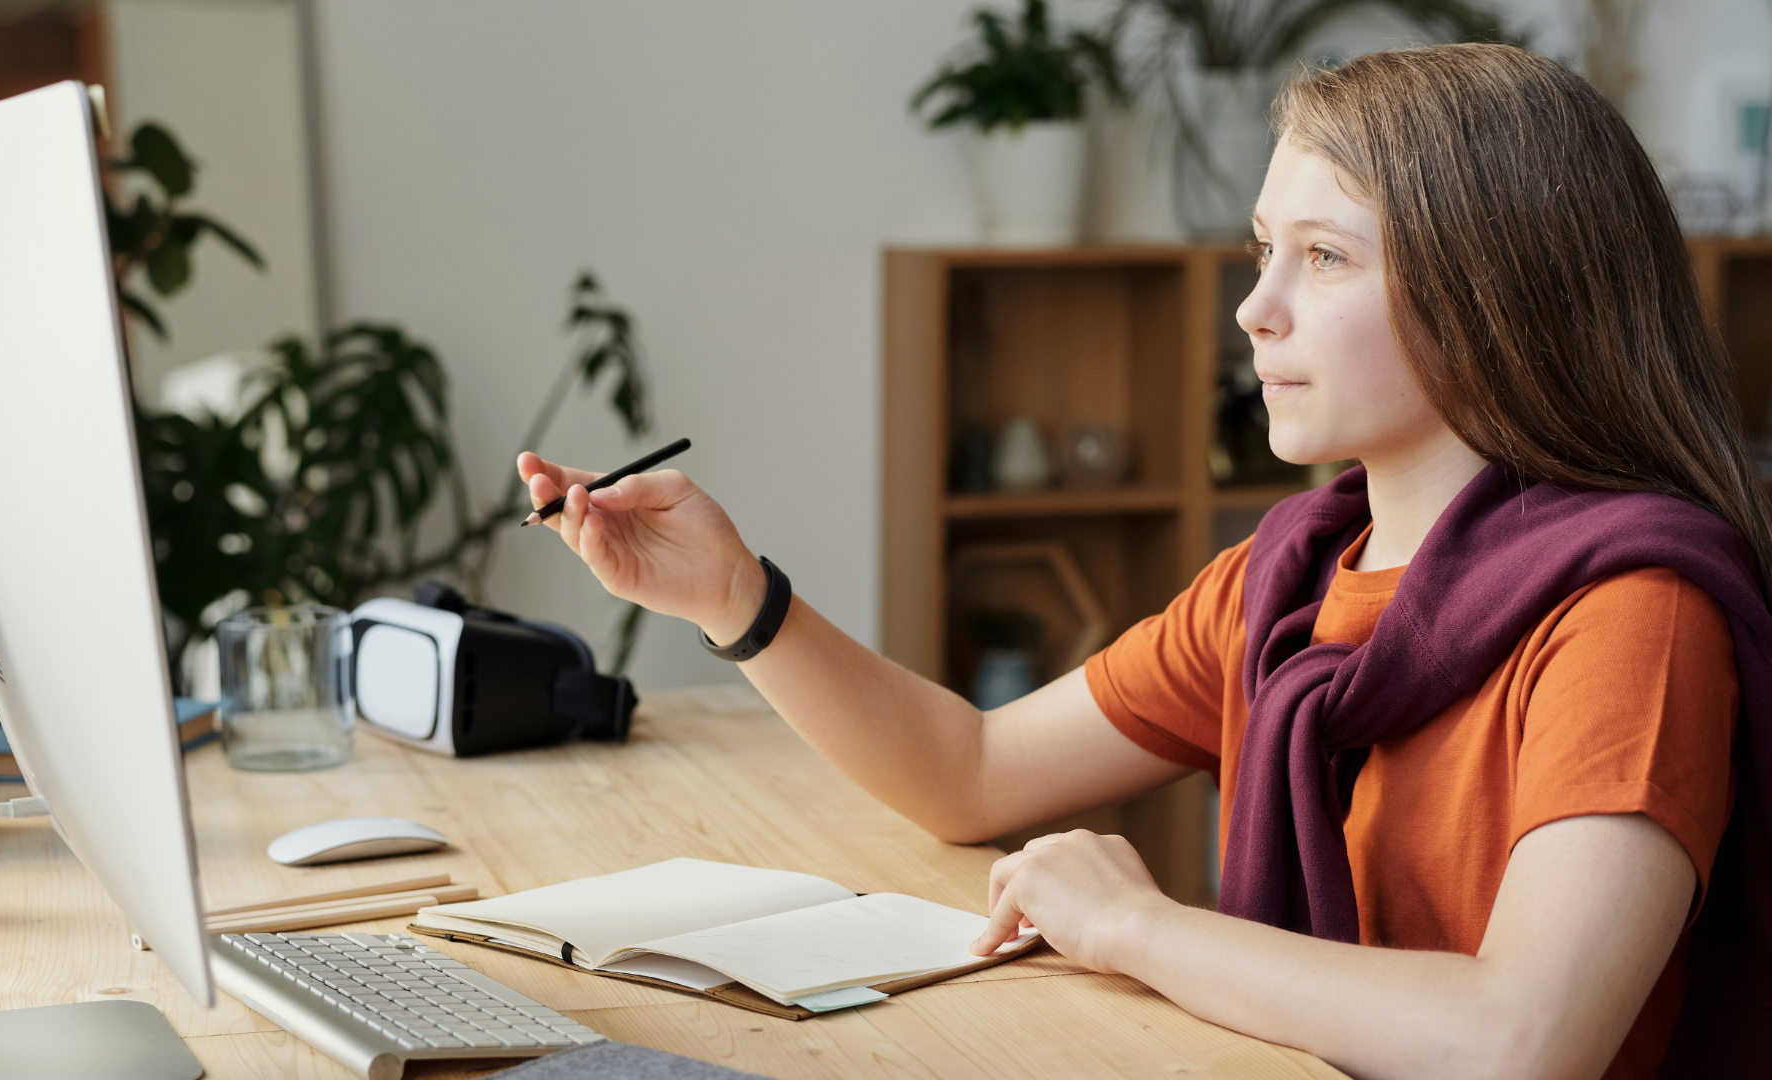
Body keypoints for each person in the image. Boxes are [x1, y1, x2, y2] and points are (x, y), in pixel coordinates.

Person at [517, 44, 1770, 1080]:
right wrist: (736, 597)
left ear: (1498, 296)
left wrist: (1136, 926)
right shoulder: (1289, 580)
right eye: (1263, 250)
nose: (1255, 309)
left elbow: (1523, 1041)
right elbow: (973, 772)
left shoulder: (1633, 617)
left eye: (1325, 257)